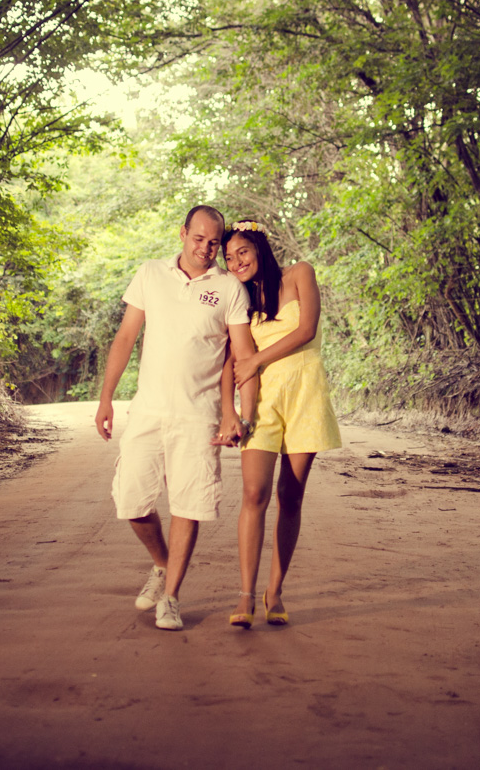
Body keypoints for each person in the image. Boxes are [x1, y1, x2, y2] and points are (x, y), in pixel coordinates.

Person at [95, 205, 256, 631]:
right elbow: (126, 336)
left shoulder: (228, 289)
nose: (206, 249)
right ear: (182, 233)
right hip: (147, 410)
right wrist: (106, 397)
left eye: (214, 242)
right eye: (198, 239)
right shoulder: (150, 273)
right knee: (131, 500)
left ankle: (171, 598)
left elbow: (241, 356)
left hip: (197, 415)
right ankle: (162, 564)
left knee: (189, 505)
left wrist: (236, 413)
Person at [221, 219, 340, 628]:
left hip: (306, 396)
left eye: (242, 253)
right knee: (254, 493)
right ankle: (246, 596)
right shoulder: (239, 302)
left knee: (291, 495)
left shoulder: (299, 273)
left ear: (259, 248)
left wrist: (257, 358)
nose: (236, 262)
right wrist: (233, 411)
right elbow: (231, 363)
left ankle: (276, 592)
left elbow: (306, 329)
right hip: (264, 402)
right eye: (229, 257)